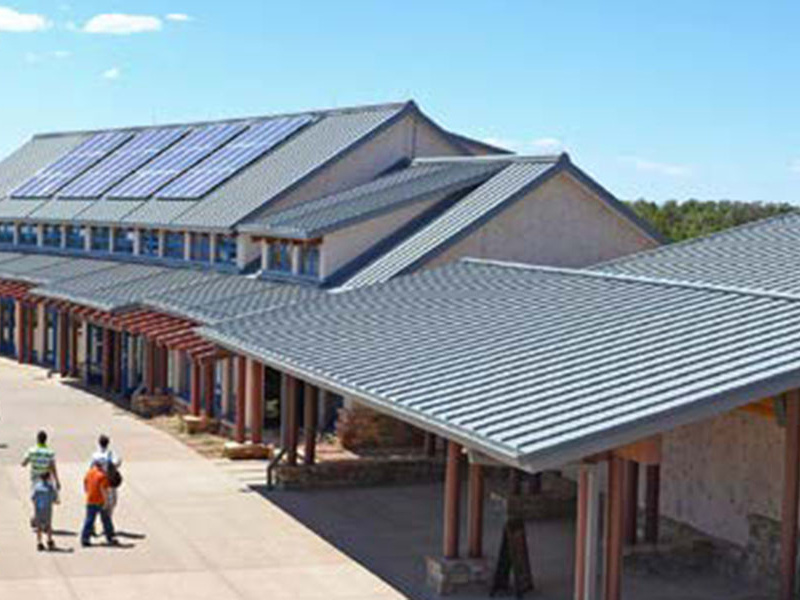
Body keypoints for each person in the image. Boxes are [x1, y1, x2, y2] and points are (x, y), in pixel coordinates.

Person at [21, 430, 60, 526]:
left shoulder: (32, 451)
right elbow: (53, 467)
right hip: (47, 478)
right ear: (45, 440)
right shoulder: (50, 453)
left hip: (35, 478)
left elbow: (24, 463)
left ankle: (36, 517)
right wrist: (57, 480)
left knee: (36, 498)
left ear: (37, 439)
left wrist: (27, 461)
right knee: (47, 500)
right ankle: (43, 520)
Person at [80, 458, 118, 547]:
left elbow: (85, 484)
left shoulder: (89, 473)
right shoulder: (102, 476)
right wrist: (106, 502)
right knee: (106, 520)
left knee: (89, 520)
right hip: (100, 501)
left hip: (90, 500)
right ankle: (110, 537)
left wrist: (88, 492)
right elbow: (103, 490)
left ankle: (84, 538)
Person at [89, 434, 122, 519]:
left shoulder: (95, 455)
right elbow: (117, 464)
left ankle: (96, 522)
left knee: (98, 502)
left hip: (98, 482)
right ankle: (107, 520)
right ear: (108, 443)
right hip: (109, 481)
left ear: (99, 443)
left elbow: (91, 469)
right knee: (111, 503)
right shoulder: (111, 454)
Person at [31, 471, 58, 551]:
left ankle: (39, 542)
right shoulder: (50, 487)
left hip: (38, 509)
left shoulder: (37, 487)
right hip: (47, 509)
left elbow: (33, 498)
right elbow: (54, 498)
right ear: (48, 478)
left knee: (39, 527)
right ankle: (49, 540)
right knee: (48, 525)